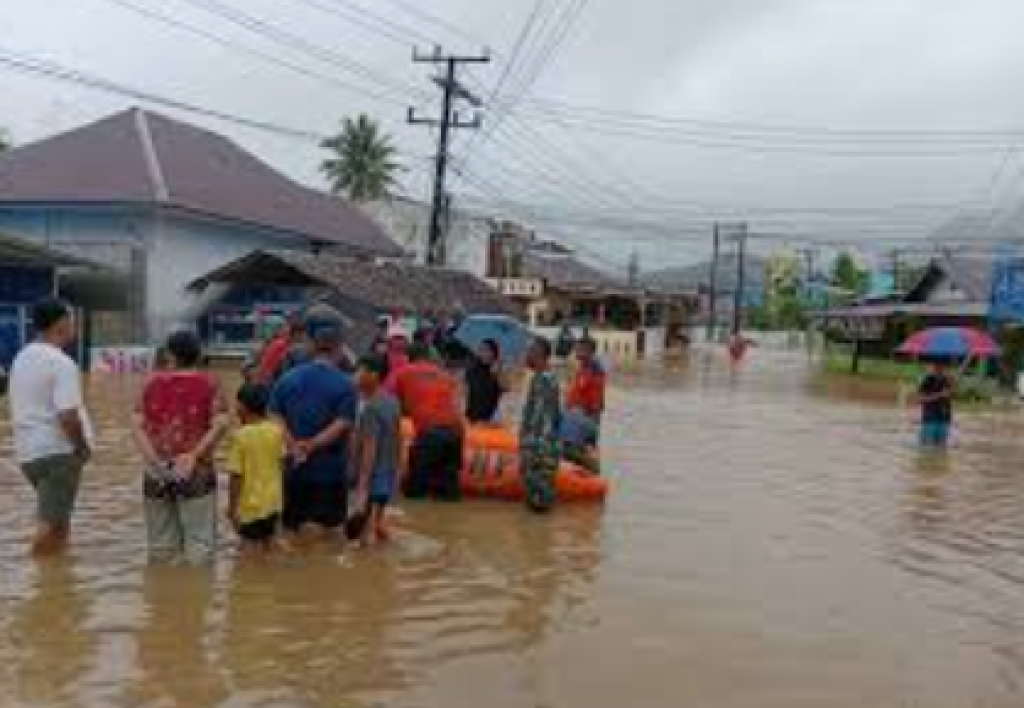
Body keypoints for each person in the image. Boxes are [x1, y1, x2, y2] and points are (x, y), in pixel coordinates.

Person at [132, 331, 228, 564]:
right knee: (200, 546)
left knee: (160, 546)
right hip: (196, 471)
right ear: (199, 354)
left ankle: (162, 597)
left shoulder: (150, 384)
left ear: (169, 355)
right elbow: (221, 423)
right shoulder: (210, 384)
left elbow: (137, 426)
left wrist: (155, 462)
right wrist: (193, 455)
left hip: (156, 472)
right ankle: (195, 597)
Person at [7, 298, 93, 556]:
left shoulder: (21, 357)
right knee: (51, 525)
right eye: (72, 320)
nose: (74, 326)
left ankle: (57, 583)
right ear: (62, 323)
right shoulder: (61, 363)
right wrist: (82, 447)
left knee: (59, 521)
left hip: (28, 454)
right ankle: (38, 587)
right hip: (57, 453)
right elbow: (67, 415)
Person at [269, 315, 358, 539]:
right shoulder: (346, 384)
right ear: (339, 348)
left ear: (313, 347)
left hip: (293, 470)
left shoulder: (287, 379)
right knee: (330, 535)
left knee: (292, 531)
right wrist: (311, 445)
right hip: (330, 471)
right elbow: (343, 423)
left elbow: (273, 413)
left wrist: (293, 444)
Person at [392, 343, 464, 500]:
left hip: (430, 433)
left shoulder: (403, 373)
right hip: (457, 433)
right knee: (448, 491)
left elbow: (392, 405)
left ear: (408, 358)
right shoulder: (443, 374)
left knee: (414, 493)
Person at [226, 383, 286, 557]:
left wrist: (231, 508)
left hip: (250, 507)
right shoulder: (276, 432)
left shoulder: (240, 436)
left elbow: (236, 476)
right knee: (270, 551)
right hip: (274, 504)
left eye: (237, 404)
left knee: (250, 558)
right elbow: (281, 467)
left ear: (243, 407)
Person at [350, 355, 402, 545]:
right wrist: (397, 470)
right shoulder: (393, 401)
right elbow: (399, 439)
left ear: (374, 376)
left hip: (372, 476)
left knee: (365, 534)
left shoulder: (370, 408)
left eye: (359, 371)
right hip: (387, 472)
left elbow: (370, 447)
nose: (355, 376)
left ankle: (369, 570)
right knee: (378, 524)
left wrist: (362, 486)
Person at [519, 337, 562, 513]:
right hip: (542, 446)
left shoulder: (544, 380)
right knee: (538, 502)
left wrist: (527, 442)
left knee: (539, 502)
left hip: (540, 448)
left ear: (539, 355)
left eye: (529, 351)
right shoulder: (542, 378)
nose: (526, 355)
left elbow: (539, 418)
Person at [566, 338, 606, 436]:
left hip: (584, 420)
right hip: (575, 418)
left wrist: (592, 428)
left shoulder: (595, 372)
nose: (576, 352)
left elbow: (596, 403)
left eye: (580, 349)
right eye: (576, 349)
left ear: (589, 352)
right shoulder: (582, 368)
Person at [465, 339, 507, 424]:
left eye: (487, 350)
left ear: (494, 353)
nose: (484, 353)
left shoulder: (497, 370)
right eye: (481, 349)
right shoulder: (472, 370)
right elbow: (465, 392)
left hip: (490, 418)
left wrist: (499, 372)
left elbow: (505, 387)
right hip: (471, 416)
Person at [255, 313, 304, 385]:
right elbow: (266, 371)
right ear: (297, 333)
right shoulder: (280, 345)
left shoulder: (281, 344)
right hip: (273, 383)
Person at [917, 361, 954, 447]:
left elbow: (951, 396)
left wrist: (951, 391)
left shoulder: (948, 380)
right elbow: (920, 399)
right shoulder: (926, 380)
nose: (940, 368)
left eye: (943, 366)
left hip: (944, 417)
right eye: (937, 366)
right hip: (930, 418)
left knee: (941, 446)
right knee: (926, 445)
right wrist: (939, 395)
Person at [558, 409, 601, 475]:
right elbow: (591, 448)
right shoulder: (591, 424)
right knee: (596, 469)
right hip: (575, 451)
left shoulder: (567, 416)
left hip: (562, 450)